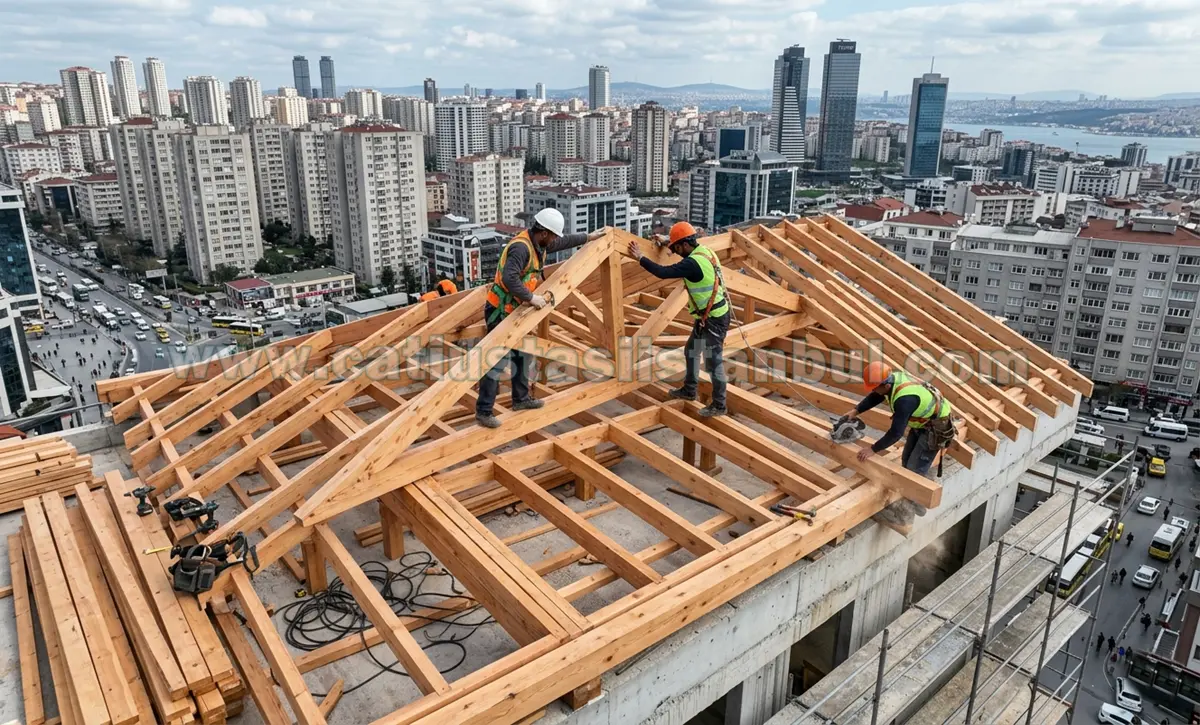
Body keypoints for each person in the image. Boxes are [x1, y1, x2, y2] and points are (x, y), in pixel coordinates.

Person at [474, 208, 606, 429]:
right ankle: (484, 411)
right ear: (544, 233)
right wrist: (531, 298)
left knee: (522, 354)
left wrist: (588, 237)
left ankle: (521, 399)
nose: (554, 240)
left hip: (516, 309)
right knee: (496, 361)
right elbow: (509, 278)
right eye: (553, 235)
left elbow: (563, 242)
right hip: (501, 311)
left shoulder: (538, 244)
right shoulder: (521, 248)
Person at [626, 222, 730, 419]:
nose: (675, 252)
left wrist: (640, 257)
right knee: (691, 351)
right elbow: (681, 247)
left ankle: (719, 404)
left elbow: (662, 272)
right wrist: (667, 241)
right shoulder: (704, 251)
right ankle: (690, 390)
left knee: (713, 361)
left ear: (685, 245)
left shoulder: (692, 264)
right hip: (707, 316)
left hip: (714, 319)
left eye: (676, 248)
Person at [840, 361, 956, 528]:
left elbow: (896, 433)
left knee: (913, 470)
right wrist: (856, 410)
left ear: (886, 385)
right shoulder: (892, 380)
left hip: (936, 427)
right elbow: (876, 396)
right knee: (906, 460)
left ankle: (905, 517)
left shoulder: (904, 400)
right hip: (924, 421)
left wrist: (873, 449)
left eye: (875, 387)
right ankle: (919, 502)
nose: (873, 390)